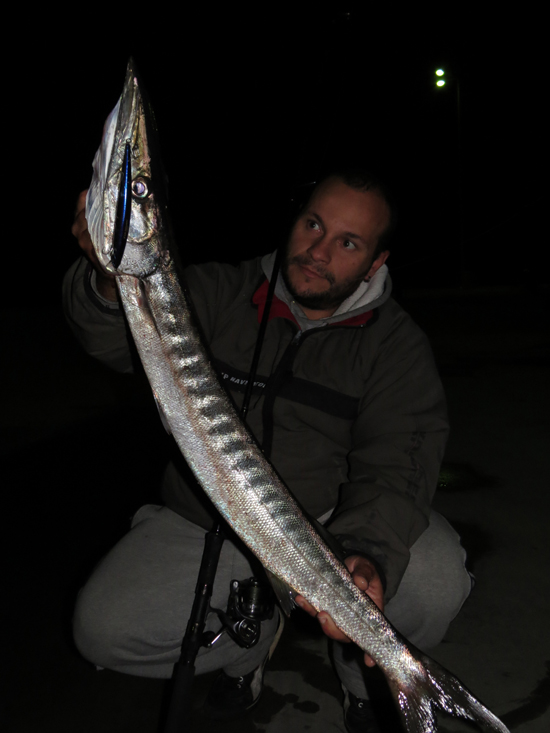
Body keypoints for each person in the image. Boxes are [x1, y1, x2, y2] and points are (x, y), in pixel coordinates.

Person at [65, 170, 472, 732]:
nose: (318, 251)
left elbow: (398, 465)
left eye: (348, 243)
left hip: (329, 526)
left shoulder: (396, 347)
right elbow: (110, 340)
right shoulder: (215, 292)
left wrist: (368, 553)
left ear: (376, 263)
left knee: (435, 572)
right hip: (202, 519)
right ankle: (247, 648)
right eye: (313, 225)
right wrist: (109, 282)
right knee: (103, 628)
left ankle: (367, 684)